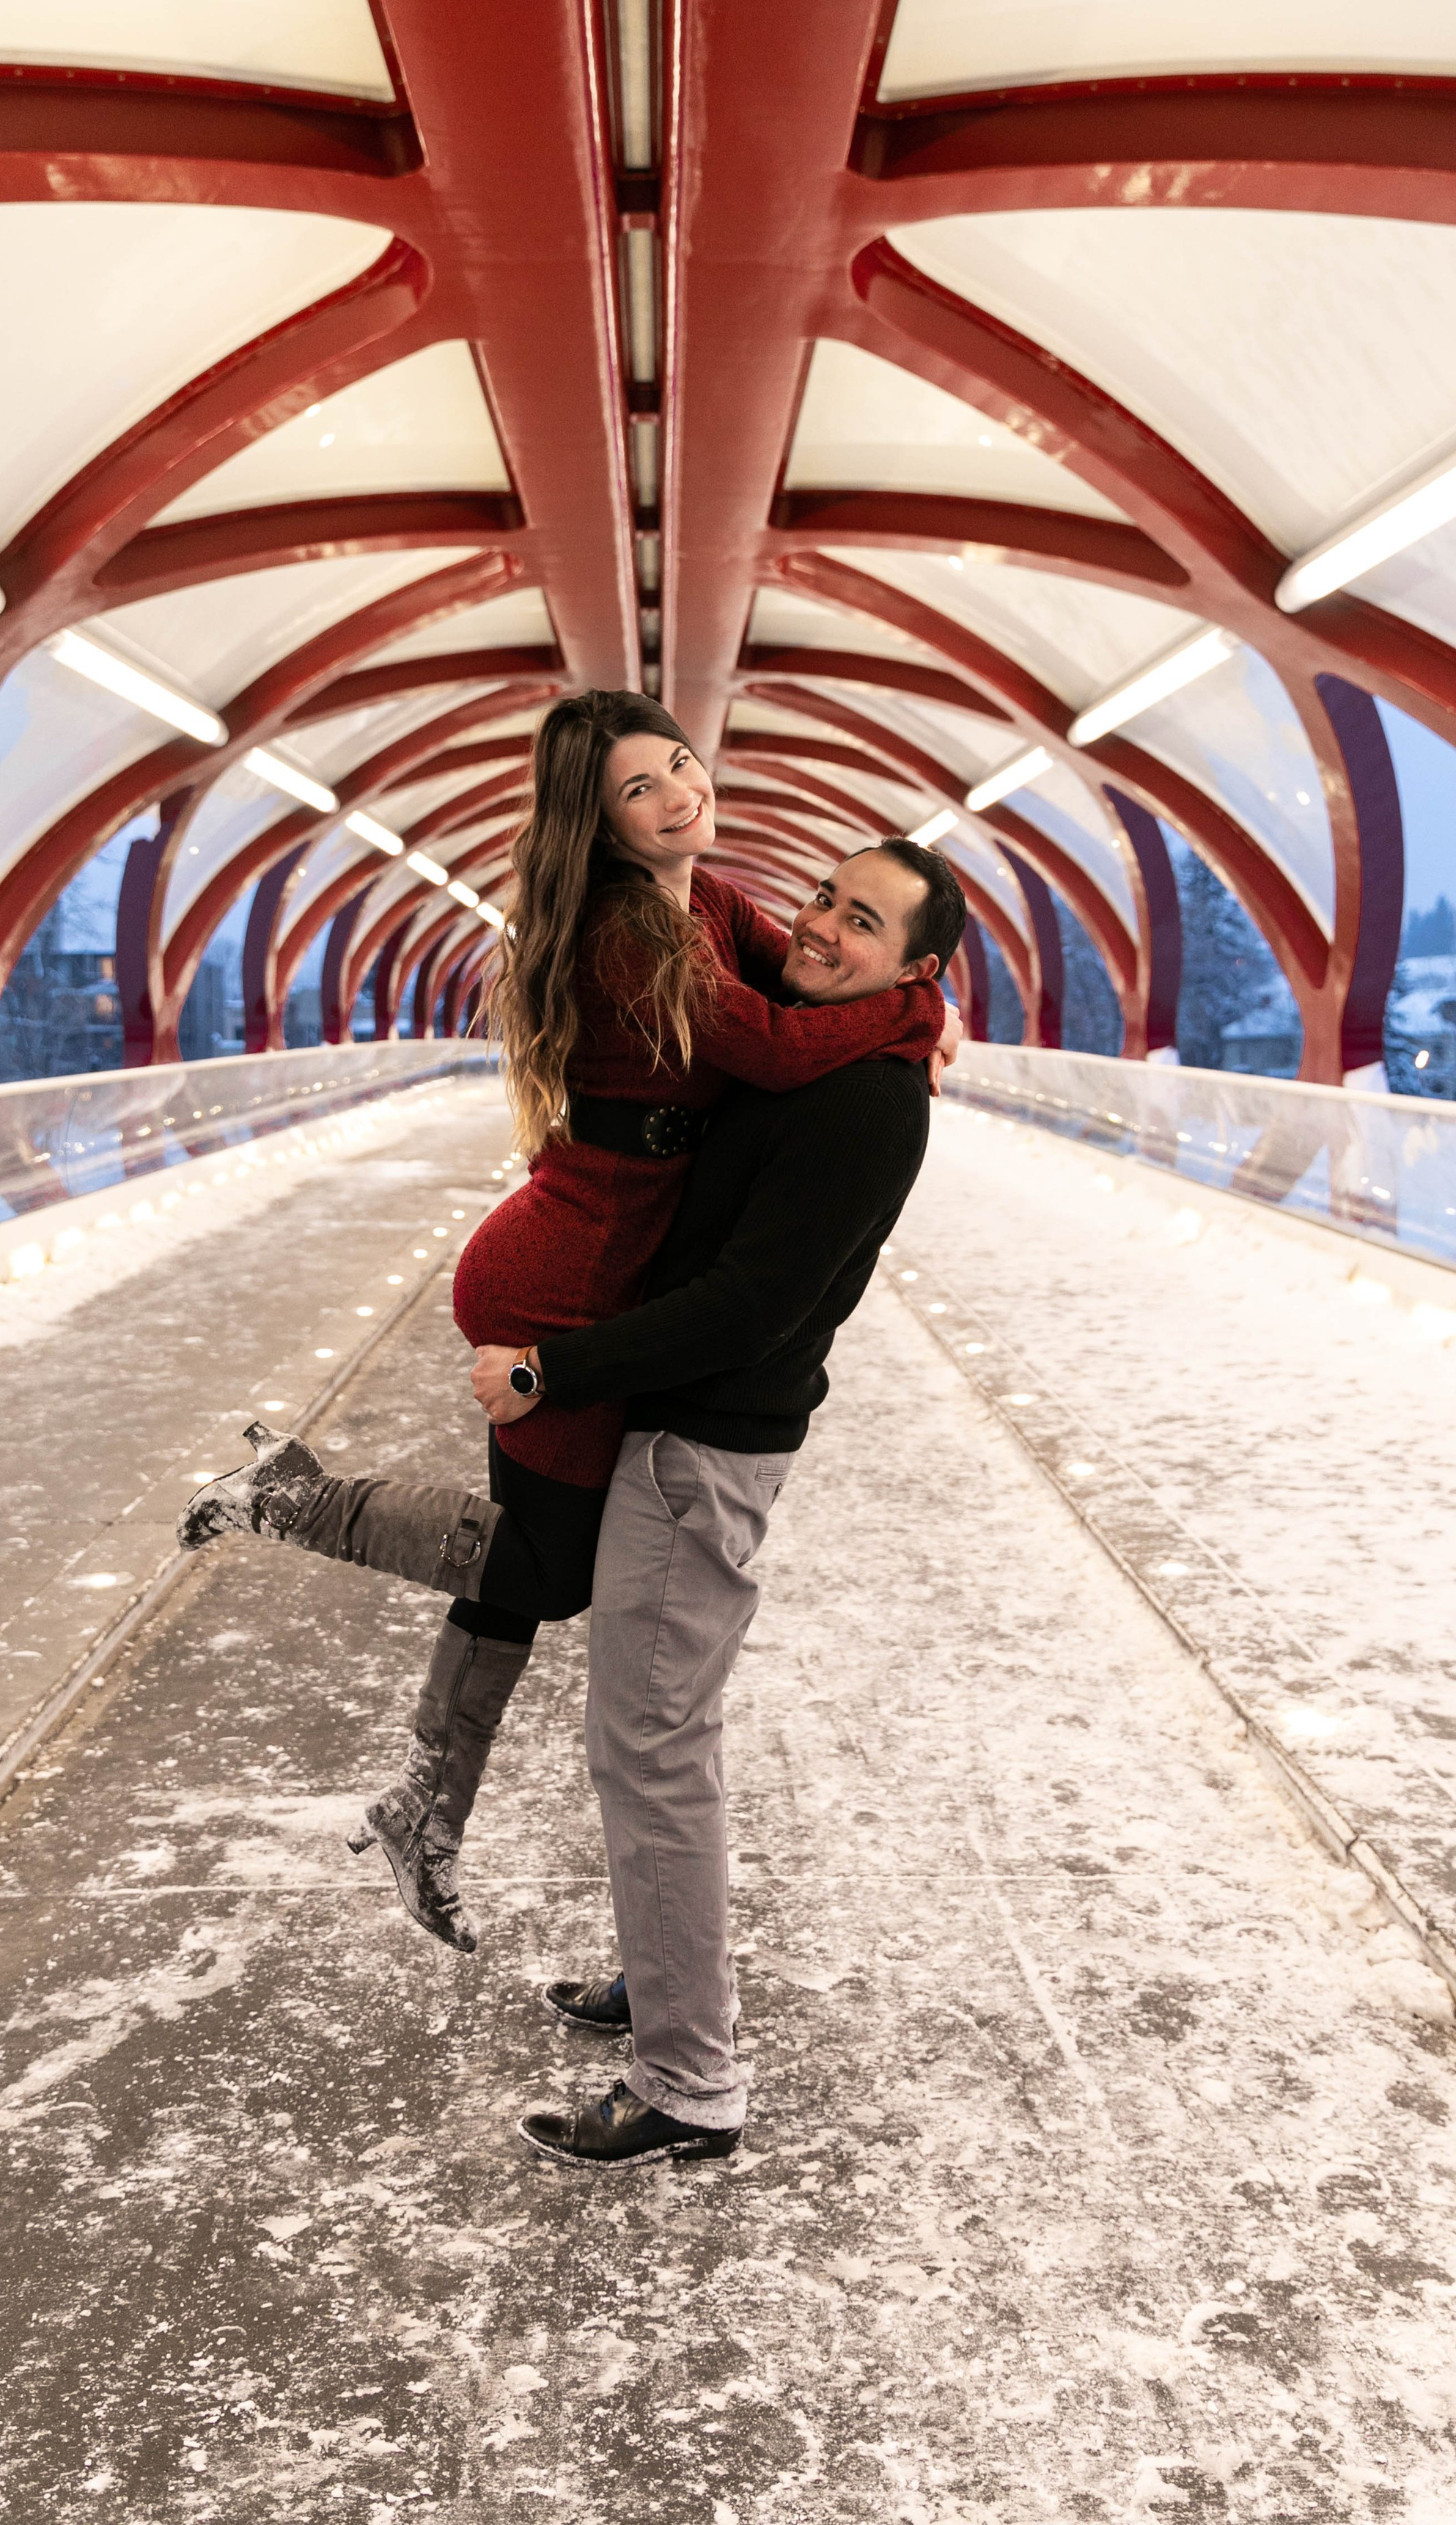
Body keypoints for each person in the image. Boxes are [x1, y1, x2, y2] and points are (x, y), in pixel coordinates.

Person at [179, 691, 952, 1952]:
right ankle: (296, 1501)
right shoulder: (622, 925)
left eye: (683, 763)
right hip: (563, 1272)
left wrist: (910, 992)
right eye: (640, 788)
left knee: (527, 1556)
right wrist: (919, 1011)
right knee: (545, 1564)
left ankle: (428, 1810)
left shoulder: (703, 901)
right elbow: (765, 1044)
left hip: (597, 1249)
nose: (678, 794)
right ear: (597, 824)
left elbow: (797, 985)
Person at [468, 835, 968, 2167]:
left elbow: (751, 1305)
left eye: (861, 923)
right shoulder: (802, 1034)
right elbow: (706, 914)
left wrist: (547, 1368)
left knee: (652, 1750)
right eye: (822, 895)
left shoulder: (867, 1101)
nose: (819, 927)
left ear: (914, 969)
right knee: (654, 1739)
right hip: (680, 1440)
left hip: (703, 1456)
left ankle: (691, 2082)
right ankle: (663, 1972)